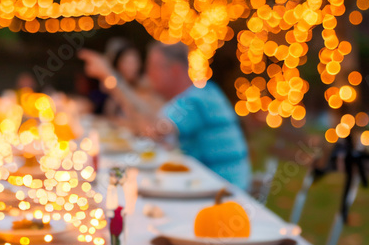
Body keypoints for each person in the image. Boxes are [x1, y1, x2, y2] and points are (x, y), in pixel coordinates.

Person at [80, 42, 251, 189]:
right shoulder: (195, 95)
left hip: (226, 192)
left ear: (175, 70)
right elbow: (148, 128)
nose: (147, 74)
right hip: (205, 185)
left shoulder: (197, 100)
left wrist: (111, 78)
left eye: (153, 67)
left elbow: (153, 130)